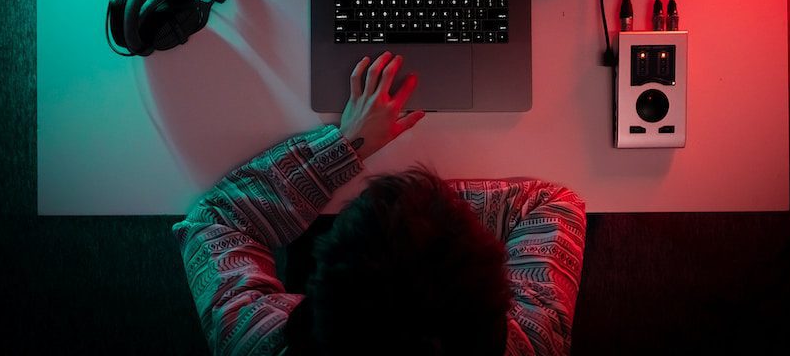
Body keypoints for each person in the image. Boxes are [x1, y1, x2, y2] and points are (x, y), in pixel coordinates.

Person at [173, 51, 586, 355]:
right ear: (500, 319)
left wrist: (349, 144)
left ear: (312, 304)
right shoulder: (535, 342)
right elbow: (551, 204)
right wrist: (427, 212)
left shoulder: (257, 341)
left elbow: (218, 218)